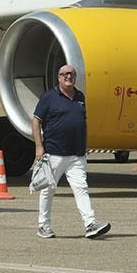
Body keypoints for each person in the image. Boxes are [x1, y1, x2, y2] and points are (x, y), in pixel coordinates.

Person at [32, 64, 111, 239]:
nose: (68, 76)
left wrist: (85, 144)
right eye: (64, 74)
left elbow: (82, 122)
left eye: (72, 74)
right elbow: (36, 121)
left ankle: (90, 224)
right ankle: (43, 226)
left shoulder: (80, 97)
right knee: (47, 190)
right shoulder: (49, 98)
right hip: (54, 153)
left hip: (76, 154)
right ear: (58, 77)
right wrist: (39, 147)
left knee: (81, 188)